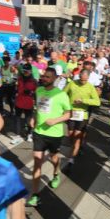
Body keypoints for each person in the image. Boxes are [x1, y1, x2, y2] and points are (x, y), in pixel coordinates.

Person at [26, 68, 71, 207]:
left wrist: (55, 121)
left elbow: (68, 114)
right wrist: (33, 118)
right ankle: (35, 195)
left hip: (54, 134)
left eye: (48, 77)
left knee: (53, 158)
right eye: (44, 76)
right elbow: (37, 108)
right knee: (37, 161)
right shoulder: (39, 90)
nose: (44, 79)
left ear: (55, 78)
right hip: (39, 132)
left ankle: (56, 173)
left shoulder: (61, 95)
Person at [63, 68, 100, 172]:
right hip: (71, 113)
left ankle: (71, 159)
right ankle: (75, 148)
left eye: (85, 80)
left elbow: (97, 102)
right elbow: (63, 94)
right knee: (71, 135)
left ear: (88, 78)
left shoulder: (90, 87)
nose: (82, 81)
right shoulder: (72, 83)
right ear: (79, 76)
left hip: (82, 115)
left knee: (77, 136)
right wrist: (65, 106)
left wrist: (83, 101)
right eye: (81, 79)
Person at [13, 63, 37, 143]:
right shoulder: (20, 79)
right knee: (17, 119)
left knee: (28, 120)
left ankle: (29, 134)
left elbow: (37, 92)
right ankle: (18, 135)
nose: (25, 72)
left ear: (30, 71)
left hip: (28, 103)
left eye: (27, 71)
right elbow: (17, 89)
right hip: (19, 102)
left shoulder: (34, 81)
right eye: (24, 71)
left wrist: (31, 93)